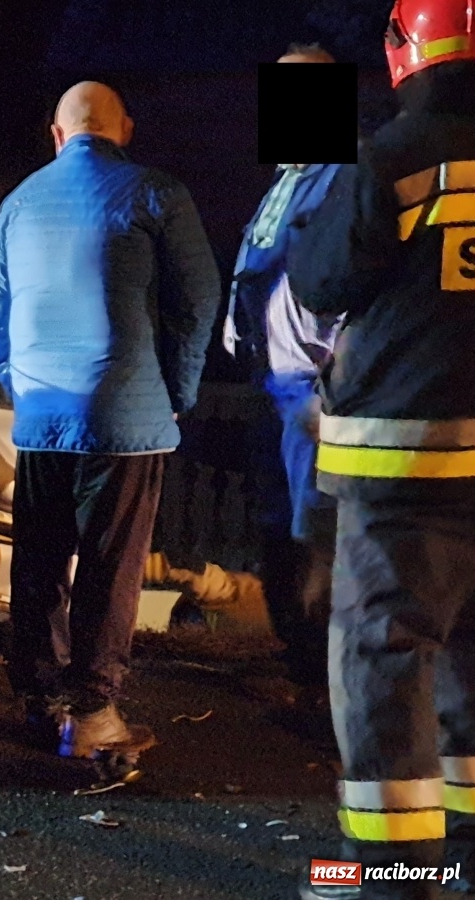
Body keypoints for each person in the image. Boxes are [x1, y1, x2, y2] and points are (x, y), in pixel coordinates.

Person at [286, 1, 475, 897]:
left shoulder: (397, 154)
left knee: (386, 657)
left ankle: (400, 878)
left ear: (408, 48)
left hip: (407, 462)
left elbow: (323, 278)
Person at [0, 81, 221, 764]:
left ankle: (36, 698)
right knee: (110, 566)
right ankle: (93, 714)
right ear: (126, 130)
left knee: (40, 560)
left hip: (43, 413)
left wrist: (23, 387)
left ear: (58, 135)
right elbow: (199, 299)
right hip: (125, 413)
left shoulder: (18, 203)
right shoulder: (156, 193)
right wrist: (178, 388)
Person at [222, 43, 346, 688]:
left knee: (311, 530)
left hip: (310, 390)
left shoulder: (341, 176)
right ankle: (295, 654)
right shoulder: (285, 178)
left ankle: (320, 674)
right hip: (268, 385)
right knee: (276, 522)